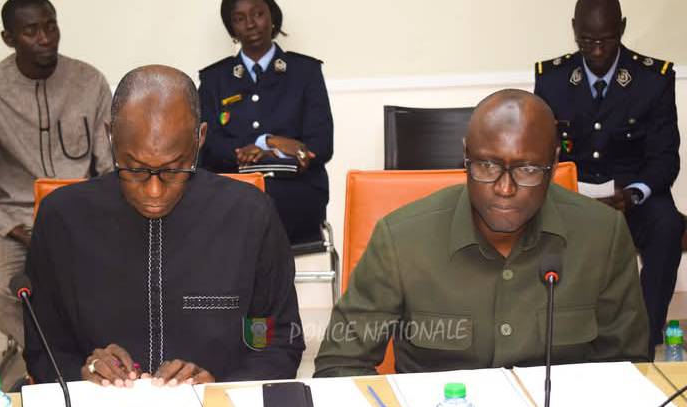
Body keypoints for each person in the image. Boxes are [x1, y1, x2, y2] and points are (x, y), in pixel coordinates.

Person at [313, 89, 649, 377]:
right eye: (487, 165)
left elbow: (628, 368)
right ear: (465, 157)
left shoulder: (603, 236)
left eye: (528, 169)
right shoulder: (400, 240)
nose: (505, 188)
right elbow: (340, 363)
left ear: (553, 162)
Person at [23, 65, 304, 386]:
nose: (154, 191)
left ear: (199, 138)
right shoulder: (63, 218)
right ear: (110, 136)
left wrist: (221, 386)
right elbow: (44, 347)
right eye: (135, 169)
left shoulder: (249, 215)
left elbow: (274, 340)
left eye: (173, 169)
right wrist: (82, 374)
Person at [533, 0, 682, 355]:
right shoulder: (552, 79)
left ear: (622, 28)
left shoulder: (653, 79)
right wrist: (569, 192)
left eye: (606, 40)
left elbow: (665, 158)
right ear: (574, 29)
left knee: (669, 226)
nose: (597, 51)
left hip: (632, 196)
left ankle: (643, 339)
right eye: (587, 41)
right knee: (533, 224)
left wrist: (634, 193)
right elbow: (541, 151)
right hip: (573, 195)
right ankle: (556, 339)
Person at [0, 0, 112, 348]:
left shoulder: (89, 81)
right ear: (9, 38)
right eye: (31, 31)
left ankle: (96, 350)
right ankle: (52, 353)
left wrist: (102, 220)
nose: (45, 38)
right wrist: (18, 232)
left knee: (118, 280)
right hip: (14, 222)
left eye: (51, 26)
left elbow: (110, 167)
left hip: (82, 216)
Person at [198, 0, 333, 245]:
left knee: (264, 209)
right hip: (234, 192)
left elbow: (321, 145)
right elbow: (206, 147)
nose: (251, 24)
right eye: (240, 18)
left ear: (273, 17)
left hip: (296, 192)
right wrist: (268, 143)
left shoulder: (305, 71)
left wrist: (268, 149)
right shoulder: (214, 79)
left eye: (258, 14)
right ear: (231, 28)